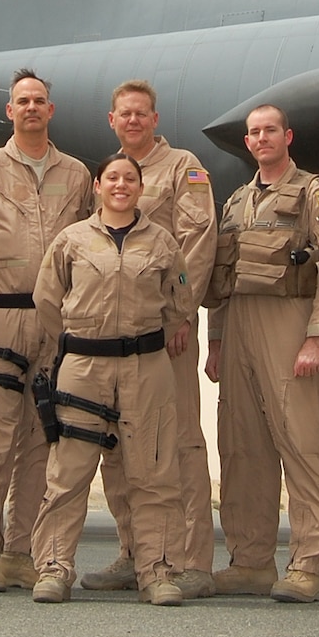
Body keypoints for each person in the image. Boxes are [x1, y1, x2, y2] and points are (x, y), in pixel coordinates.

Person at [29, 154, 194, 606]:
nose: (121, 185)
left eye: (130, 179)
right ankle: (54, 567)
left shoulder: (163, 243)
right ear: (98, 185)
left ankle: (157, 571)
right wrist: (79, 340)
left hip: (146, 367)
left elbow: (181, 299)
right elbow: (47, 300)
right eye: (112, 178)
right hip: (83, 367)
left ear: (141, 188)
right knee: (68, 472)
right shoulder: (71, 240)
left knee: (155, 472)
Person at [203, 103, 319, 603]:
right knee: (242, 446)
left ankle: (308, 562)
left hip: (290, 324)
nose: (262, 138)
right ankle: (250, 560)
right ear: (246, 142)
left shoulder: (316, 192)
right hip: (240, 324)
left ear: (287, 136)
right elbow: (223, 277)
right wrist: (216, 341)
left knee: (304, 443)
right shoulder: (237, 202)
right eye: (253, 132)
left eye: (270, 130)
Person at [79, 79, 219, 599]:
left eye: (142, 113)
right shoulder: (110, 173)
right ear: (111, 120)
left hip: (166, 333)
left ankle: (190, 561)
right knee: (118, 443)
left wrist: (181, 316)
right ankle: (135, 552)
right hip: (114, 336)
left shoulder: (185, 167)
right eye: (124, 114)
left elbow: (198, 242)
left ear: (154, 120)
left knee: (178, 440)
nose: (133, 121)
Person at [0, 70, 93, 592]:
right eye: (22, 101)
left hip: (55, 321)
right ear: (9, 111)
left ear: (50, 110)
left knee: (42, 440)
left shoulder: (78, 174)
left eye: (40, 100)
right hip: (0, 316)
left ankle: (21, 550)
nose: (32, 108)